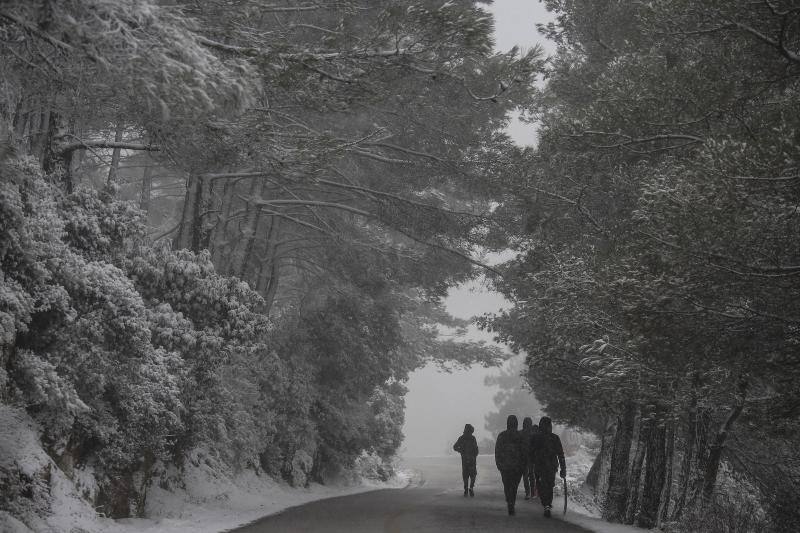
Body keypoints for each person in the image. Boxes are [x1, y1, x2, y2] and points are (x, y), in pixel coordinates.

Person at [530, 416, 566, 518]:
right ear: (550, 426)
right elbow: (561, 454)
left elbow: (531, 452)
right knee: (549, 485)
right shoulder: (554, 438)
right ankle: (547, 504)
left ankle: (546, 504)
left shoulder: (536, 438)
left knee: (541, 485)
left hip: (540, 466)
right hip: (551, 466)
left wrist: (532, 462)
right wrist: (563, 468)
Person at [494, 415, 526, 515]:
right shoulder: (520, 436)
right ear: (516, 423)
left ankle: (509, 501)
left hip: (505, 466)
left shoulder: (502, 435)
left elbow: (497, 451)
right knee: (514, 486)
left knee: (507, 485)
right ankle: (512, 501)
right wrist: (523, 464)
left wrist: (499, 463)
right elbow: (524, 451)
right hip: (517, 466)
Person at [453, 424, 479, 497]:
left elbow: (455, 447)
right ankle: (471, 488)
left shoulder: (461, 438)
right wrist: (474, 455)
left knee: (465, 475)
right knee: (473, 475)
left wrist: (461, 451)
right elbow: (476, 448)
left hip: (465, 460)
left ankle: (466, 489)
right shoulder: (472, 438)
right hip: (472, 460)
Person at [520, 416, 539, 500]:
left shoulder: (520, 433)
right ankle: (532, 493)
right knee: (531, 475)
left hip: (524, 457)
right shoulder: (534, 433)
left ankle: (528, 493)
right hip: (531, 457)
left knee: (525, 476)